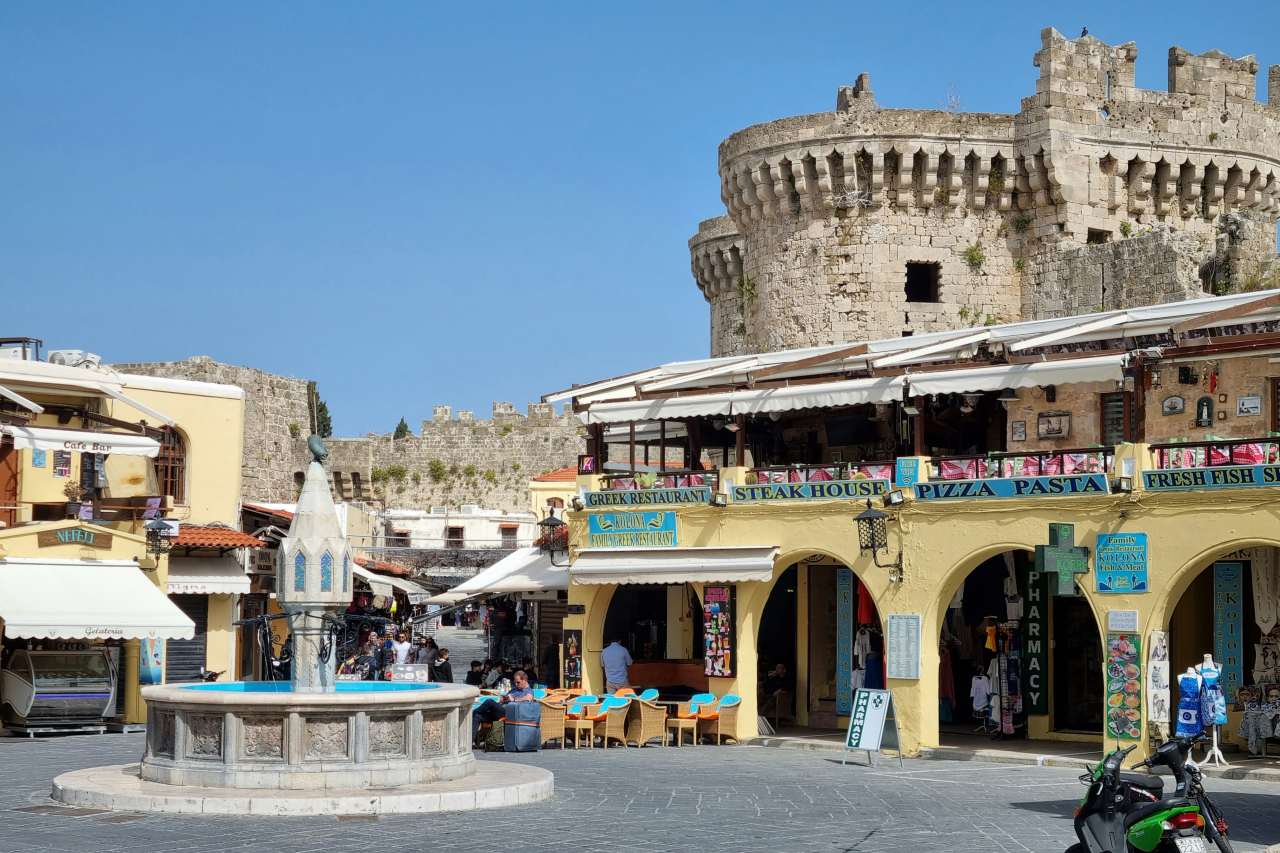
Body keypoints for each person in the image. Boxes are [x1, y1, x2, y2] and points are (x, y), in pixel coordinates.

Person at [472, 669, 535, 743]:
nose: (516, 684)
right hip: (501, 711)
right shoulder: (515, 689)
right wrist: (504, 698)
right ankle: (469, 742)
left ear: (524, 680)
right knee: (477, 716)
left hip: (510, 713)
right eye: (515, 682)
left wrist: (514, 699)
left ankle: (471, 713)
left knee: (489, 702)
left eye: (518, 682)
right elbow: (505, 697)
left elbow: (528, 698)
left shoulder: (528, 690)